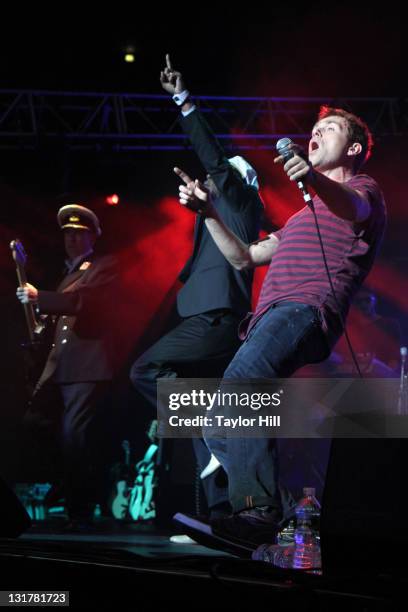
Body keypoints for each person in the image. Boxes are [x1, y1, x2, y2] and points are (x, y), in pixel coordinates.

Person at [176, 105, 386, 545]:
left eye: (327, 129)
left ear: (351, 148)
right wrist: (210, 212)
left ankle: (258, 514)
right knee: (217, 420)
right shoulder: (298, 219)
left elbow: (353, 205)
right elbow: (244, 257)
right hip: (268, 319)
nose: (316, 133)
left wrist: (312, 178)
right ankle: (293, 524)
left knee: (243, 386)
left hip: (305, 310)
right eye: (314, 129)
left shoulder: (364, 190)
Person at [129, 55, 264, 520]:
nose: (211, 177)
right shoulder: (211, 218)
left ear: (238, 182)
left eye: (221, 174)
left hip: (217, 320)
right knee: (190, 416)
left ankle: (200, 427)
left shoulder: (243, 206)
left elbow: (213, 158)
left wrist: (183, 101)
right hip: (206, 318)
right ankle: (219, 514)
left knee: (145, 370)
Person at [17, 204, 121, 528]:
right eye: (68, 234)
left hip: (87, 365)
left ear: (93, 235)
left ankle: (80, 507)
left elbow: (84, 302)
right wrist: (41, 317)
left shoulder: (103, 266)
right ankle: (65, 483)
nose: (72, 239)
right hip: (60, 365)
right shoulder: (67, 273)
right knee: (34, 423)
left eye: (79, 233)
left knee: (74, 434)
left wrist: (40, 297)